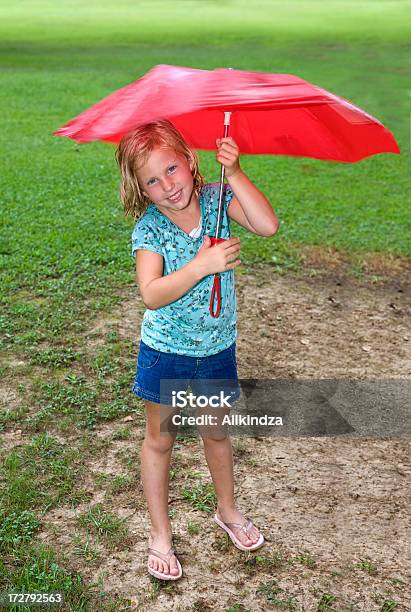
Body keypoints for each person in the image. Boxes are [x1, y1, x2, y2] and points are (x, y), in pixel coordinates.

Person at [116, 120, 279, 581]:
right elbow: (151, 292)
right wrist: (201, 264)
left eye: (172, 168)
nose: (168, 185)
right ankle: (160, 534)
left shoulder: (216, 200)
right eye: (152, 179)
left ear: (190, 161)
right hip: (166, 352)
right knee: (160, 440)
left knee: (215, 434)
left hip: (215, 350)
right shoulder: (150, 229)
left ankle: (227, 511)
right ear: (141, 189)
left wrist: (239, 172)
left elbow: (268, 224)